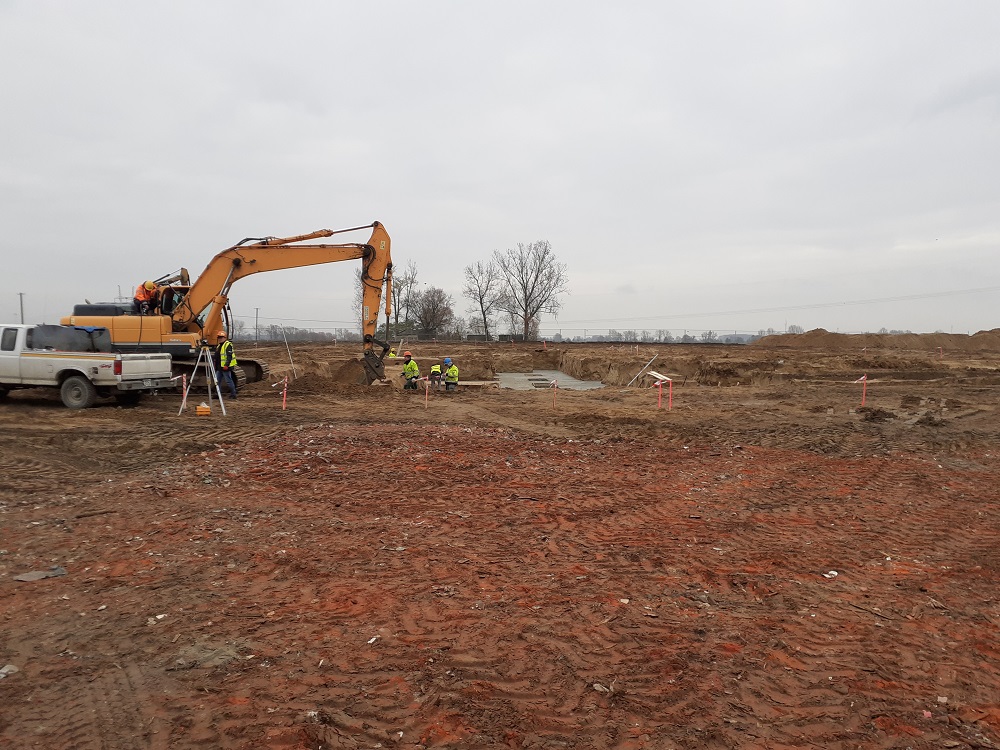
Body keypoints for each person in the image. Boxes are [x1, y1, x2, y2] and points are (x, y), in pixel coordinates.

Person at [215, 330, 238, 399]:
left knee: (228, 381)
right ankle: (218, 394)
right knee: (217, 381)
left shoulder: (228, 344)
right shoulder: (219, 346)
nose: (220, 339)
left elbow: (229, 356)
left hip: (225, 367)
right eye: (219, 337)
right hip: (219, 367)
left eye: (221, 337)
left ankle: (233, 394)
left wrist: (226, 365)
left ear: (225, 338)